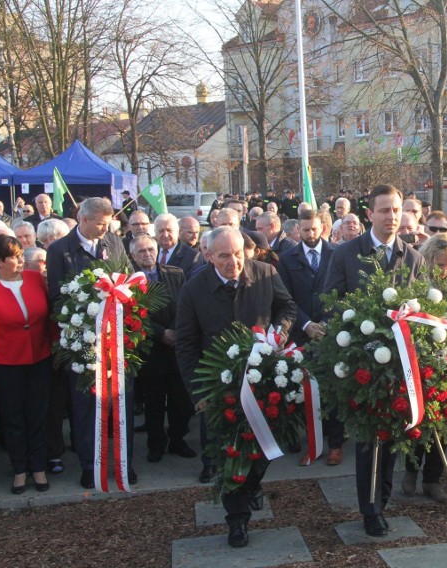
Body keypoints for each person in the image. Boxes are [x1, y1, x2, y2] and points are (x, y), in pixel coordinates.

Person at [176, 226, 295, 548]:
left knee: (265, 446)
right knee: (227, 452)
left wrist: (278, 335)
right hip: (219, 387)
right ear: (208, 255)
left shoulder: (266, 273)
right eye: (225, 256)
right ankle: (237, 520)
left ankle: (253, 483)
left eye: (239, 254)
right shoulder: (193, 289)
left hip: (262, 378)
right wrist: (197, 394)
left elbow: (287, 308)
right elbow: (185, 345)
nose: (234, 262)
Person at [323, 184, 424, 537]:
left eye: (396, 210)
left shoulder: (411, 256)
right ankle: (369, 508)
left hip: (399, 366)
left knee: (392, 436)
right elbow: (330, 302)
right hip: (361, 363)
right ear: (370, 214)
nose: (392, 217)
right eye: (384, 210)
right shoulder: (347, 253)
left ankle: (382, 501)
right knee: (368, 440)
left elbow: (421, 306)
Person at [47, 197, 130, 489]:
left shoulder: (113, 242)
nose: (105, 230)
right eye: (100, 224)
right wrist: (89, 307)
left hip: (116, 336)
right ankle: (89, 463)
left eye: (108, 225)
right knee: (85, 400)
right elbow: (56, 297)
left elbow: (127, 279)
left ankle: (123, 462)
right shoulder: (59, 250)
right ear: (83, 220)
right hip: (83, 339)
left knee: (119, 397)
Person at [0, 235, 52, 494]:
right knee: (13, 418)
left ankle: (38, 467)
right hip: (6, 364)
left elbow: (50, 317)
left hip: (40, 359)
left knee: (38, 415)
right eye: (14, 257)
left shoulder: (35, 279)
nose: (20, 261)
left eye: (20, 255)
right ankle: (19, 469)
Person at [402, 233, 447, 503]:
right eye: (439, 264)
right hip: (420, 360)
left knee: (444, 420)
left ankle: (432, 479)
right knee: (418, 418)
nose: (444, 270)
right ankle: (410, 469)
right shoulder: (419, 281)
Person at [275, 210, 342, 465]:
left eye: (314, 229)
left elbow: (342, 292)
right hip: (301, 333)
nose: (310, 234)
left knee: (332, 390)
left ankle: (335, 444)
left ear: (322, 227)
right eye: (305, 230)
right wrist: (306, 324)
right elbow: (286, 298)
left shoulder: (336, 254)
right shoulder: (287, 258)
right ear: (297, 231)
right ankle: (312, 443)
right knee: (304, 389)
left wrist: (325, 323)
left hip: (332, 333)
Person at [129, 235, 195, 463]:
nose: (147, 254)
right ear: (133, 256)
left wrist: (176, 330)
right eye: (141, 252)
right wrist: (161, 333)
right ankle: (155, 445)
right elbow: (133, 315)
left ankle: (177, 439)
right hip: (151, 351)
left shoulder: (175, 274)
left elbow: (187, 304)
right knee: (154, 403)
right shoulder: (130, 281)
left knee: (181, 402)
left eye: (150, 249)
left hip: (178, 348)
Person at [155, 214, 198, 279]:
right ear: (155, 232)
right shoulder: (150, 251)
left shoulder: (192, 256)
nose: (165, 235)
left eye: (169, 230)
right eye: (161, 231)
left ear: (178, 232)